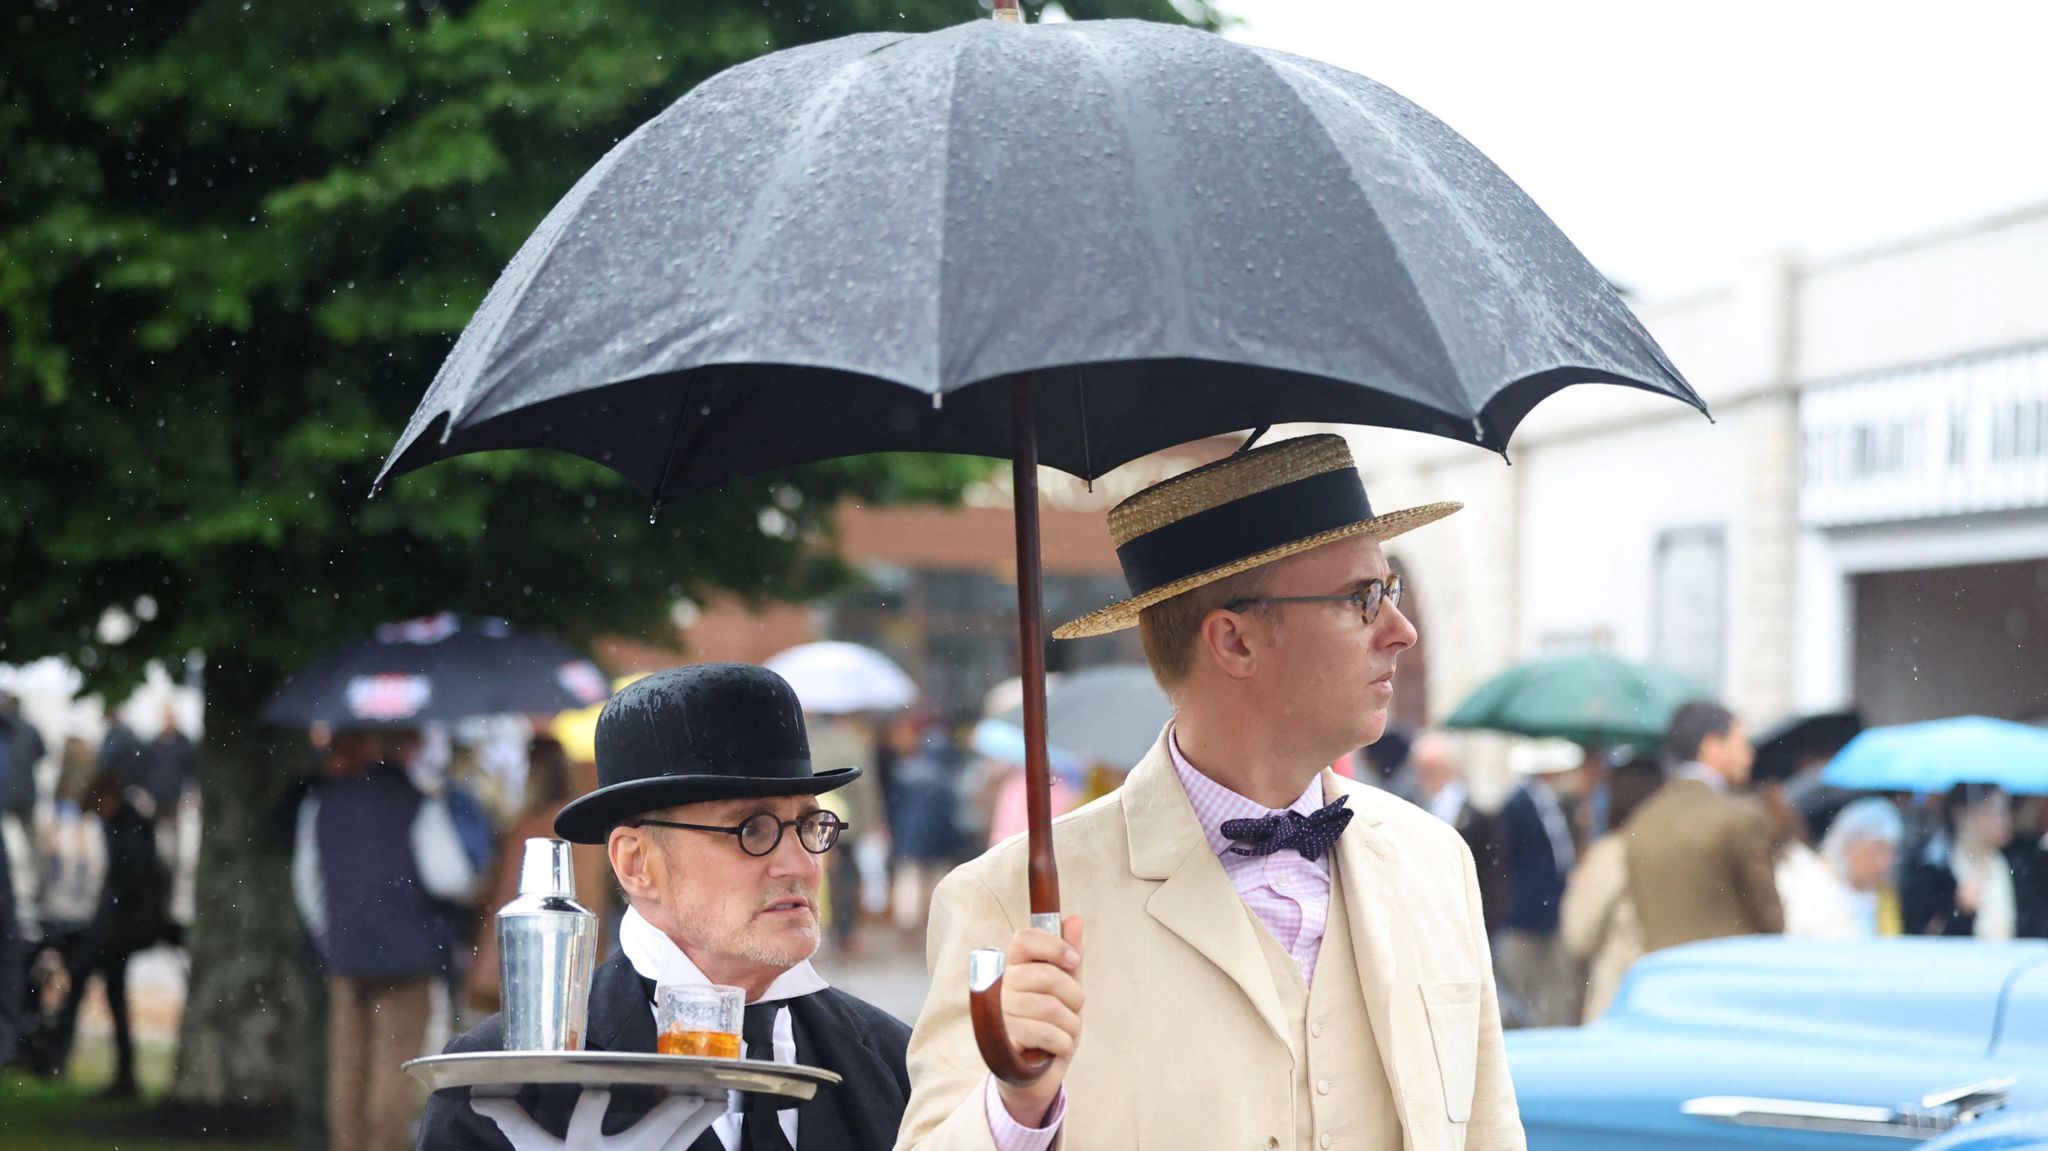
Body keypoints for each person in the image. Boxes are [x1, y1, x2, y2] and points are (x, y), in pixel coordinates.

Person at [896, 435, 1521, 1151]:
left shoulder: (1435, 862)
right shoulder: (1012, 899)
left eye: (1392, 591)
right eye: (1362, 598)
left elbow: (1490, 1133)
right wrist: (1017, 1105)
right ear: (1235, 641)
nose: (1401, 631)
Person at [420, 664, 913, 1150]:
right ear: (637, 864)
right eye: (752, 829)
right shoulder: (498, 1083)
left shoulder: (899, 1060)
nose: (800, 864)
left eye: (808, 825)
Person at [294, 728, 478, 1151]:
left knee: (346, 1068)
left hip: (344, 953)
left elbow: (308, 883)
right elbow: (448, 877)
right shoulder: (419, 805)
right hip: (406, 955)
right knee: (393, 1068)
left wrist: (331, 934)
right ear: (410, 749)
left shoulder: (321, 802)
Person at [37, 773, 170, 1096]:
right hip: (117, 928)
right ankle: (110, 1069)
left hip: (118, 930)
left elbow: (129, 879)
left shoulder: (128, 827)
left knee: (94, 989)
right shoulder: (131, 824)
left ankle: (61, 1059)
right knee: (107, 993)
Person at [465, 735, 611, 1015]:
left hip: (525, 958)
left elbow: (504, 899)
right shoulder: (583, 827)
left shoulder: (528, 827)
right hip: (579, 955)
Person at [1624, 701, 1783, 953]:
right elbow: (1771, 921)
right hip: (1724, 976)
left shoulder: (1643, 819)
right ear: (1712, 747)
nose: (1749, 755)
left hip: (1662, 978)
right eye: (1741, 744)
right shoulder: (1739, 817)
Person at [1559, 754, 1665, 1022]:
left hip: (1620, 996)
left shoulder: (1613, 851)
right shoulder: (1676, 850)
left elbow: (1578, 935)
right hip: (1666, 996)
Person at [1495, 739, 1584, 1028]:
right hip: (1527, 914)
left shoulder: (1555, 804)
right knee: (1527, 990)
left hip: (1549, 911)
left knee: (1551, 992)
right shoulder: (1517, 805)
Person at [1901, 783, 2036, 940]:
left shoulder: (2018, 865)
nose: (2002, 819)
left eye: (2005, 809)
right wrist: (1961, 909)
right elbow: (1923, 937)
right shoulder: (1933, 870)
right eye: (1991, 811)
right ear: (1961, 813)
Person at [1407, 730, 1507, 931]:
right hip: (1421, 920)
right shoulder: (1406, 806)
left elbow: (1492, 876)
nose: (1428, 778)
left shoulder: (1479, 818)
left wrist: (1484, 923)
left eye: (1434, 770)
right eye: (1424, 770)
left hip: (1465, 918)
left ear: (1449, 769)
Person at [1812, 798, 1904, 938]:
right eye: (1878, 850)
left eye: (1890, 852)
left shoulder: (1885, 897)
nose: (1885, 862)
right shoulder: (1816, 886)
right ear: (1849, 846)